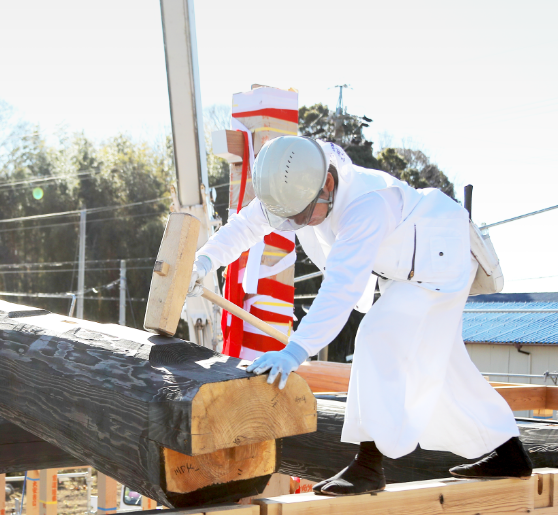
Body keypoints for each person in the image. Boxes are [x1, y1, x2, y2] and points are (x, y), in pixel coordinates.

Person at [189, 136, 532, 496]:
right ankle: (508, 451)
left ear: (329, 185)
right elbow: (248, 224)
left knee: (377, 337)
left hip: (437, 260)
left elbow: (340, 288)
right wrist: (205, 261)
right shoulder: (295, 183)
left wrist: (296, 350)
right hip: (407, 266)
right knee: (444, 366)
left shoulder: (367, 206)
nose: (296, 223)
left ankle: (369, 465)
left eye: (301, 215)